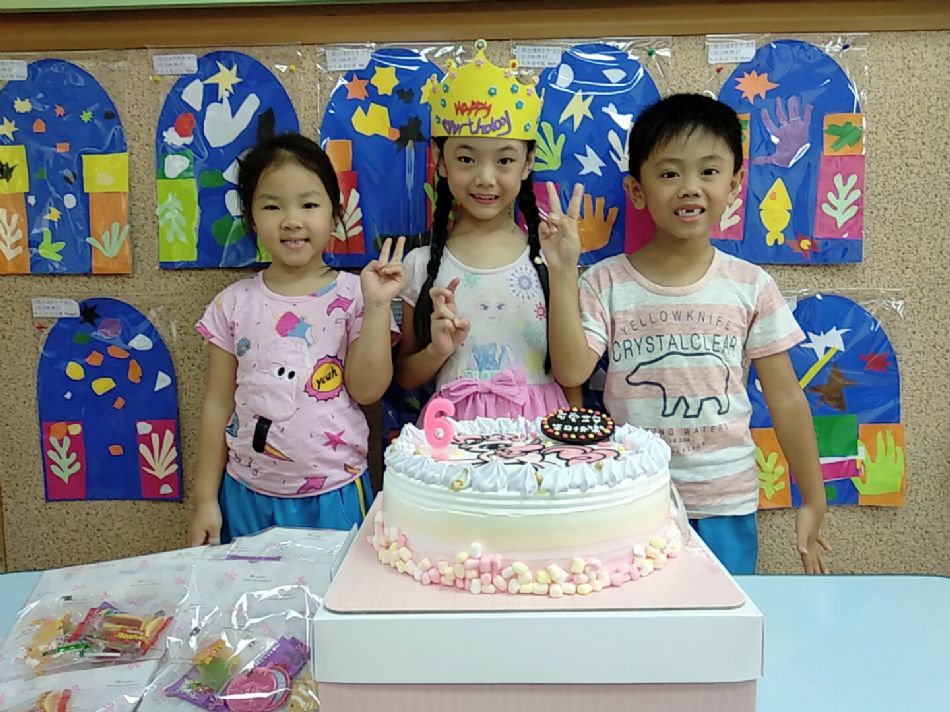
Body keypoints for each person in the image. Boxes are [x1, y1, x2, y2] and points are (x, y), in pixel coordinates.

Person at [544, 94, 829, 574]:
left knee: (722, 614)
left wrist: (813, 498)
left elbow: (786, 399)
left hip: (726, 503)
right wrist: (562, 270)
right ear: (637, 191)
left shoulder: (751, 285)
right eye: (670, 173)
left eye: (709, 171)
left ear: (735, 184)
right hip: (635, 500)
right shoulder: (605, 283)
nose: (690, 188)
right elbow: (571, 370)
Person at [189, 133, 404, 546]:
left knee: (333, 587)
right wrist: (204, 500)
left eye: (308, 205)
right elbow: (217, 404)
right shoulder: (232, 304)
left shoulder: (356, 294)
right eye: (272, 206)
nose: (291, 220)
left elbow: (368, 391)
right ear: (251, 218)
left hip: (335, 491)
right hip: (246, 495)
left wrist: (377, 306)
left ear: (335, 214)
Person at [395, 40, 575, 420]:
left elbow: (571, 374)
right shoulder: (420, 265)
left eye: (505, 160)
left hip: (538, 435)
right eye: (466, 158)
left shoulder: (551, 258)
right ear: (440, 160)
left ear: (528, 163)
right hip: (453, 435)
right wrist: (437, 350)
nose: (486, 178)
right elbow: (405, 376)